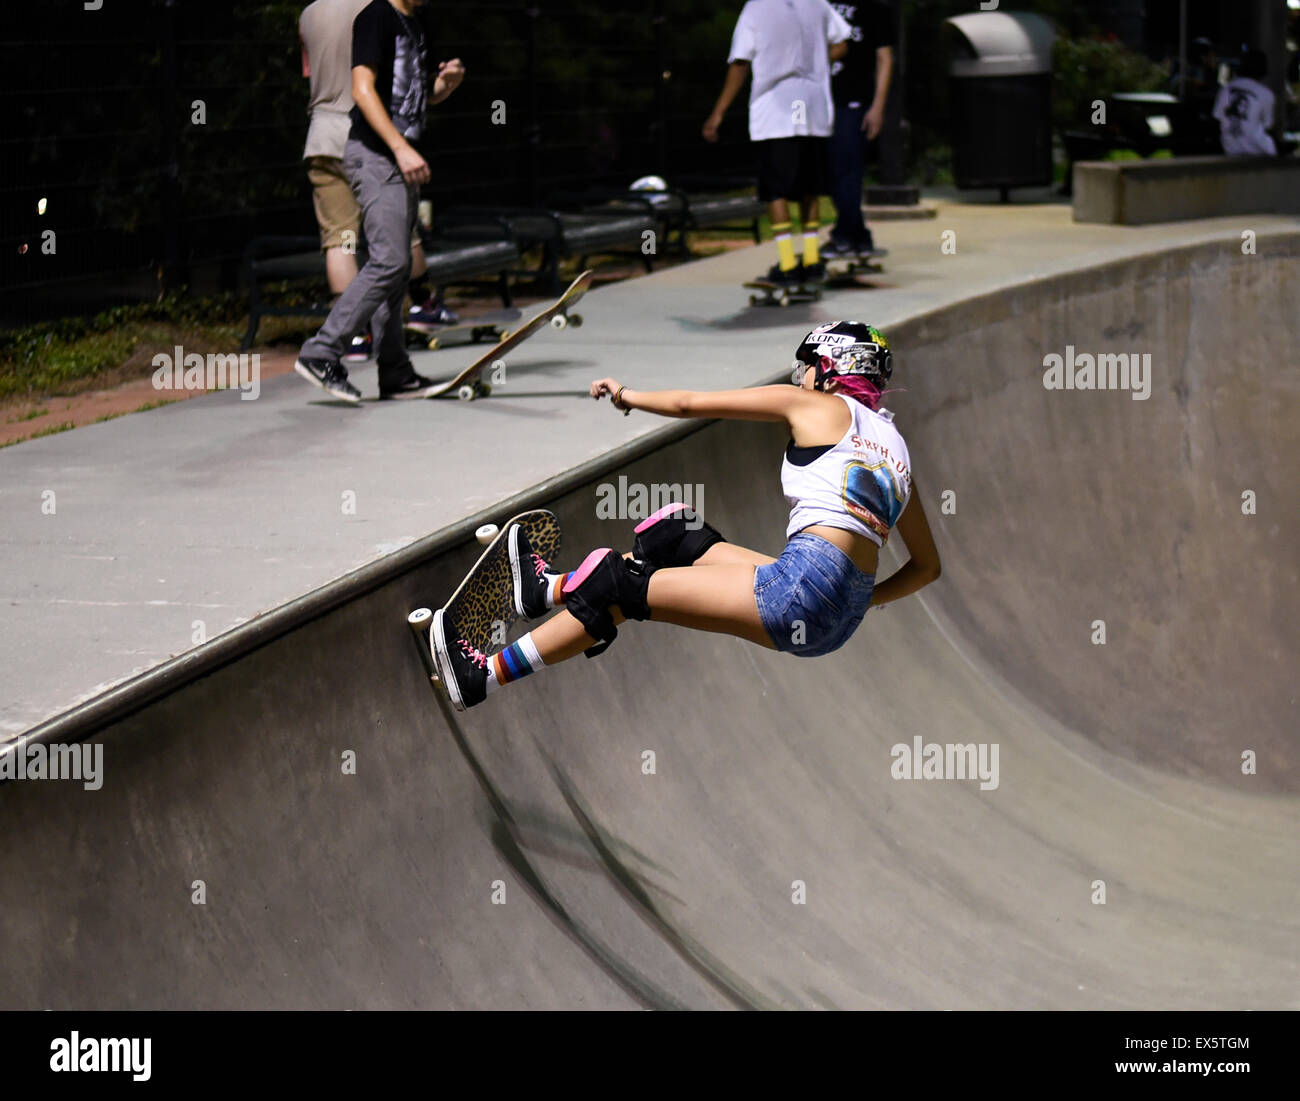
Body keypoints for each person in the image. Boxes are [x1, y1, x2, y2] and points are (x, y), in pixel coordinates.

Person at [432, 322, 942, 711]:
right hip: (839, 615)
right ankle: (542, 592)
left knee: (617, 584)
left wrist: (625, 396)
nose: (801, 378)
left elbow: (691, 402)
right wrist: (861, 597)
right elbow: (927, 567)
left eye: (805, 367)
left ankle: (479, 677)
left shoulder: (811, 403)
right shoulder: (897, 453)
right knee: (678, 534)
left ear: (827, 367)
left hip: (800, 588)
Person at [294, 0, 464, 402]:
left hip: (394, 159)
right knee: (390, 259)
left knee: (396, 268)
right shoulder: (375, 17)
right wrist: (399, 148)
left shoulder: (415, 25)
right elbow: (362, 89)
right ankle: (323, 351)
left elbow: (413, 96)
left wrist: (447, 85)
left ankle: (395, 371)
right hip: (374, 155)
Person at [703, 0, 851, 288]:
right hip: (813, 106)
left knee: (775, 189)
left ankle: (787, 264)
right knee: (810, 186)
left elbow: (740, 63)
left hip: (775, 110)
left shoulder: (756, 8)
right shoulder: (817, 4)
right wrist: (817, 61)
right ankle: (811, 261)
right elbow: (842, 43)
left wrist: (718, 111)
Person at [823, 2, 895, 259]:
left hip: (854, 101)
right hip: (820, 99)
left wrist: (878, 106)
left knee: (848, 168)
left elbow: (884, 58)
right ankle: (859, 235)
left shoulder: (874, 7)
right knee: (830, 171)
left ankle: (844, 235)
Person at [1214, 49, 1277, 156]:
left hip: (1230, 149)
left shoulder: (1226, 89)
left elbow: (1218, 116)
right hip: (1260, 150)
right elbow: (1268, 125)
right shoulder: (1265, 93)